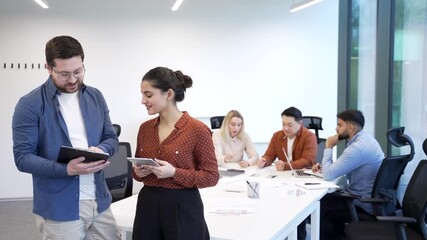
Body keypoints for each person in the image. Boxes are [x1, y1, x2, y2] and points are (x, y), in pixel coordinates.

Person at [12, 36, 121, 239]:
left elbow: (110, 137)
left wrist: (102, 150)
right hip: (59, 207)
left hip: (100, 201)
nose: (72, 80)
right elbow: (23, 158)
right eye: (64, 74)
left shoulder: (95, 96)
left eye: (78, 71)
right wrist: (66, 169)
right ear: (48, 68)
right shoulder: (29, 104)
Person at [132, 66, 220, 240]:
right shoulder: (145, 129)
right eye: (142, 94)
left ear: (169, 94)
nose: (143, 100)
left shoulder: (197, 129)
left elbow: (211, 176)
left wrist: (174, 173)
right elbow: (137, 172)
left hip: (183, 205)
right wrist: (138, 172)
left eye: (148, 95)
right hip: (148, 204)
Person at [311, 109, 384, 240]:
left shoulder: (357, 148)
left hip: (361, 203)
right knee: (325, 201)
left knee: (317, 207)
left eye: (339, 125)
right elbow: (339, 167)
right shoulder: (366, 139)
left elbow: (328, 175)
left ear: (350, 127)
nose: (336, 128)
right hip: (369, 199)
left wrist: (328, 146)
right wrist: (326, 166)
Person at [257, 106, 317, 240]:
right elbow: (269, 155)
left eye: (289, 125)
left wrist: (286, 166)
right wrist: (264, 161)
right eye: (283, 124)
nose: (285, 128)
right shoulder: (277, 136)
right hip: (282, 181)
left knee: (296, 211)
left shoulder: (309, 136)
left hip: (301, 182)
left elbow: (309, 160)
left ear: (300, 124)